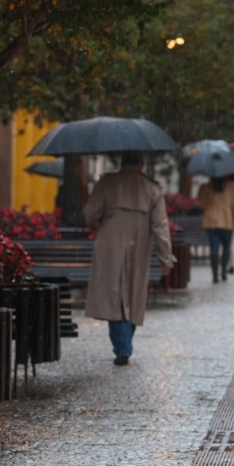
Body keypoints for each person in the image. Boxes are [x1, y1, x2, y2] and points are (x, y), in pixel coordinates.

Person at [84, 151, 175, 366]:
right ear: (142, 164)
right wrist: (166, 259)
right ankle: (124, 346)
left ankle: (122, 348)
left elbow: (89, 214)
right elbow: (160, 227)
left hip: (109, 247)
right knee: (132, 298)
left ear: (122, 162)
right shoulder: (152, 190)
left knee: (114, 298)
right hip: (139, 248)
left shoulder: (107, 184)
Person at [198, 175, 234, 284]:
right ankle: (223, 272)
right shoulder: (232, 187)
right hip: (227, 221)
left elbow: (201, 205)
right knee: (226, 247)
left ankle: (215, 275)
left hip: (211, 221)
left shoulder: (205, 187)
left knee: (214, 248)